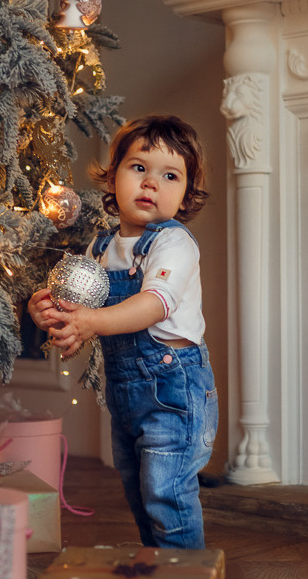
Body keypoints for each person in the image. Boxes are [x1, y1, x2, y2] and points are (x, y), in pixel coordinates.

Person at [28, 114, 217, 549]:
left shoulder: (174, 243)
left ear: (186, 194)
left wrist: (90, 322)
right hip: (127, 391)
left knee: (166, 495)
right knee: (139, 493)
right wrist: (56, 316)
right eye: (139, 168)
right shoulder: (100, 246)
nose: (151, 183)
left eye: (170, 176)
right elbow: (83, 308)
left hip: (175, 390)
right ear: (113, 179)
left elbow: (154, 304)